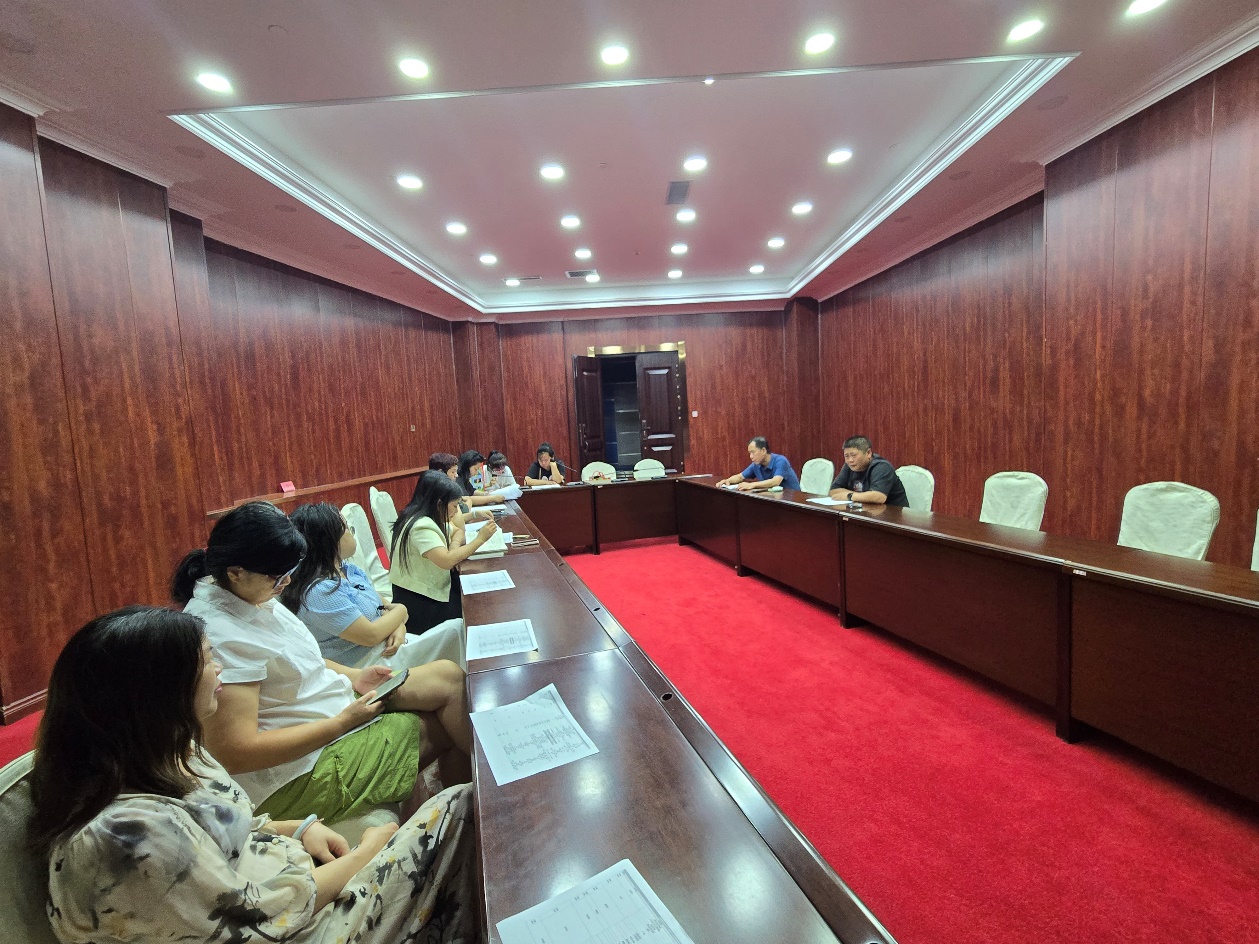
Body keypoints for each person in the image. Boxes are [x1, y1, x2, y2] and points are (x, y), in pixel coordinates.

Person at [30, 606, 479, 944]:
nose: (220, 671)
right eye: (208, 662)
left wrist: (296, 828)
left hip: (286, 882)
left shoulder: (173, 751)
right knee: (459, 808)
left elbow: (225, 830)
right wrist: (367, 853)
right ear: (158, 694)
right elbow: (258, 920)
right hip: (302, 927)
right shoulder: (126, 837)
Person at [170, 501, 472, 826]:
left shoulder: (249, 593)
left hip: (330, 705)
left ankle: (467, 812)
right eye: (278, 578)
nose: (285, 584)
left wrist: (355, 676)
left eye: (289, 574)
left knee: (448, 677)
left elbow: (304, 661)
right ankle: (465, 821)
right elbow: (235, 752)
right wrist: (341, 724)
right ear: (235, 572)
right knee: (445, 721)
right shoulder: (220, 633)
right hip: (299, 767)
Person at [284, 503, 466, 670]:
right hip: (367, 663)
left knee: (456, 629)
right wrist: (402, 610)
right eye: (347, 529)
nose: (352, 533)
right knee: (455, 633)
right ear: (329, 541)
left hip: (388, 646)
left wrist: (398, 627)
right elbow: (371, 635)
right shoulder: (320, 591)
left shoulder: (347, 569)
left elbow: (383, 606)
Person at [391, 472, 499, 633]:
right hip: (418, 599)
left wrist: (453, 548)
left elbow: (457, 532)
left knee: (475, 597)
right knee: (472, 609)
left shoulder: (430, 517)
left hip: (430, 589)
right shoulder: (421, 525)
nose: (456, 511)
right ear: (439, 504)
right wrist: (480, 539)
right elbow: (446, 561)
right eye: (454, 506)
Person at [829, 435, 910, 506]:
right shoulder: (849, 466)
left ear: (868, 453)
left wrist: (849, 496)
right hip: (866, 512)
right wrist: (864, 496)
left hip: (893, 515)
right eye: (846, 456)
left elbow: (879, 497)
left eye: (854, 455)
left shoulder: (882, 467)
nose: (850, 460)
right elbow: (833, 491)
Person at [719, 436, 801, 491]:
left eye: (753, 452)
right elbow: (740, 477)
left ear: (763, 450)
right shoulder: (756, 464)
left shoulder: (781, 461)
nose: (751, 456)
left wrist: (752, 485)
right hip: (775, 500)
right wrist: (727, 481)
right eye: (749, 453)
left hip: (793, 502)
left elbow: (775, 482)